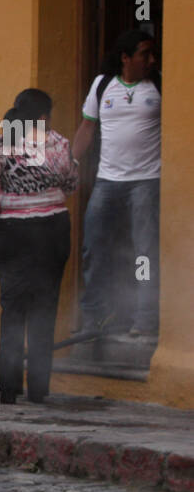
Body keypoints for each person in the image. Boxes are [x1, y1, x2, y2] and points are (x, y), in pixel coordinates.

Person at [0, 89, 78, 404]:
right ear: (42, 117)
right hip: (52, 229)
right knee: (44, 307)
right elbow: (71, 184)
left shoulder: (1, 145)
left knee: (12, 308)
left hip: (12, 232)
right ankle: (39, 388)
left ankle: (8, 389)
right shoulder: (59, 144)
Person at [72, 29, 161, 342]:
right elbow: (86, 128)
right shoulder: (102, 85)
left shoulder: (159, 85)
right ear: (125, 58)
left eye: (152, 54)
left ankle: (144, 317)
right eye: (144, 54)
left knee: (144, 254)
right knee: (94, 247)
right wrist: (70, 164)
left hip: (146, 183)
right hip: (107, 181)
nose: (151, 60)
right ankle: (93, 319)